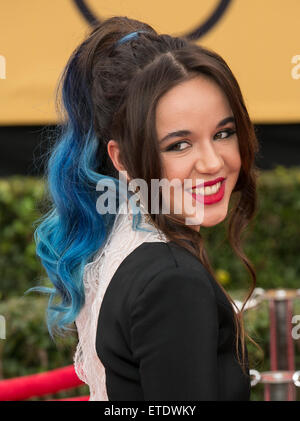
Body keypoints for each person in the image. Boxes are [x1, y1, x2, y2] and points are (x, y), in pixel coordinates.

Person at [31, 16, 262, 401]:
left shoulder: (120, 237)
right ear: (121, 159)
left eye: (223, 133)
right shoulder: (171, 281)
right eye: (179, 144)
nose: (212, 162)